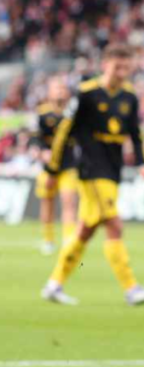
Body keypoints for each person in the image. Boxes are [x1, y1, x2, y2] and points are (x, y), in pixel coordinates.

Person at [40, 44, 144, 306]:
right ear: (105, 65)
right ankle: (131, 288)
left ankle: (54, 284)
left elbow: (136, 133)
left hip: (113, 169)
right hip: (91, 169)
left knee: (85, 230)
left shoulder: (129, 97)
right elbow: (64, 131)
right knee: (114, 224)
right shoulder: (86, 93)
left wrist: (143, 162)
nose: (122, 72)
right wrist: (52, 168)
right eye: (118, 67)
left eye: (126, 67)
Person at [33, 76, 79, 255]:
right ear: (49, 92)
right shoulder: (42, 113)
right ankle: (48, 239)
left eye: (62, 88)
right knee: (47, 202)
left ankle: (68, 239)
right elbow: (35, 138)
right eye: (56, 88)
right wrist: (40, 151)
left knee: (69, 201)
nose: (60, 91)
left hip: (69, 165)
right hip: (47, 167)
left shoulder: (73, 113)